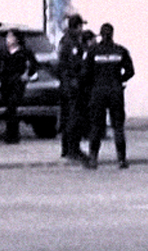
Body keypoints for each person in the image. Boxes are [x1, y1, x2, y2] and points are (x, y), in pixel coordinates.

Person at [83, 23, 135, 169]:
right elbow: (130, 71)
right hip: (115, 91)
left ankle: (93, 159)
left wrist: (91, 85)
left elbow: (85, 73)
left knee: (96, 126)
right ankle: (121, 159)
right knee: (118, 126)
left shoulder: (93, 51)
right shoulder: (120, 51)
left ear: (101, 34)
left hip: (98, 91)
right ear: (112, 34)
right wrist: (120, 80)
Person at [0, 29, 38, 143]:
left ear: (17, 39)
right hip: (6, 81)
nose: (8, 39)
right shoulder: (3, 51)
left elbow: (34, 64)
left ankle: (13, 135)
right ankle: (10, 132)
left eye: (10, 37)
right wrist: (0, 77)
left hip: (17, 81)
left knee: (12, 105)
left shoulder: (24, 51)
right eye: (7, 37)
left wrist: (27, 75)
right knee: (8, 107)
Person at [57, 14, 88, 161]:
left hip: (66, 85)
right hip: (72, 86)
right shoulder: (72, 43)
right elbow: (74, 64)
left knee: (67, 117)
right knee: (74, 118)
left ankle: (67, 148)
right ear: (77, 27)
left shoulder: (65, 40)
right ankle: (73, 149)